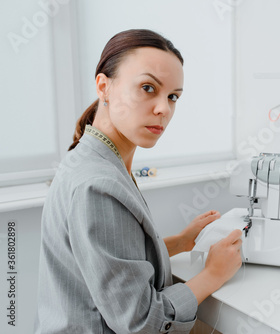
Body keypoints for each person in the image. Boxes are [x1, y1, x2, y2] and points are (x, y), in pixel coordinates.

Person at [34, 29, 242, 334]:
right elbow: (141, 322)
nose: (164, 109)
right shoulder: (98, 185)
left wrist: (179, 242)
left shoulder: (95, 158)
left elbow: (115, 258)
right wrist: (213, 274)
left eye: (173, 96)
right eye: (147, 88)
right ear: (104, 86)